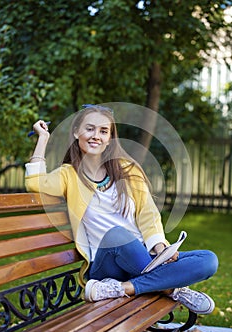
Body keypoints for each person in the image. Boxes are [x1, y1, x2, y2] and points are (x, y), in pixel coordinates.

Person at [25, 105, 218, 314]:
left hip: (140, 258)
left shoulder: (127, 169)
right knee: (118, 235)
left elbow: (148, 213)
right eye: (89, 129)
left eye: (103, 131)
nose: (96, 136)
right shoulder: (68, 174)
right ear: (76, 132)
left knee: (208, 260)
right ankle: (172, 288)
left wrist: (161, 246)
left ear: (110, 138)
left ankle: (125, 288)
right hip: (105, 266)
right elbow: (35, 183)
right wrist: (43, 137)